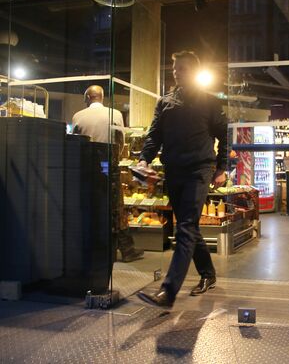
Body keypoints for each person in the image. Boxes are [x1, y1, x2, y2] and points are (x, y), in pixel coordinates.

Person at [137, 51, 228, 308]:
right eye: (175, 67)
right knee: (190, 226)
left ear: (194, 70)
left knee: (185, 227)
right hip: (174, 170)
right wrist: (144, 159)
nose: (177, 71)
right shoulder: (165, 101)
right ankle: (208, 274)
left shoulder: (209, 101)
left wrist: (222, 167)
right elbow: (155, 135)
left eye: (183, 68)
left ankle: (168, 291)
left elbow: (224, 134)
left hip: (200, 169)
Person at [72, 85, 144, 263]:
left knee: (91, 207)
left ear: (88, 97)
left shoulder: (78, 116)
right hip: (107, 165)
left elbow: (75, 143)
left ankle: (95, 249)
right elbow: (120, 140)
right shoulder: (115, 114)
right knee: (115, 208)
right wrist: (115, 159)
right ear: (101, 97)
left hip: (86, 167)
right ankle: (126, 250)